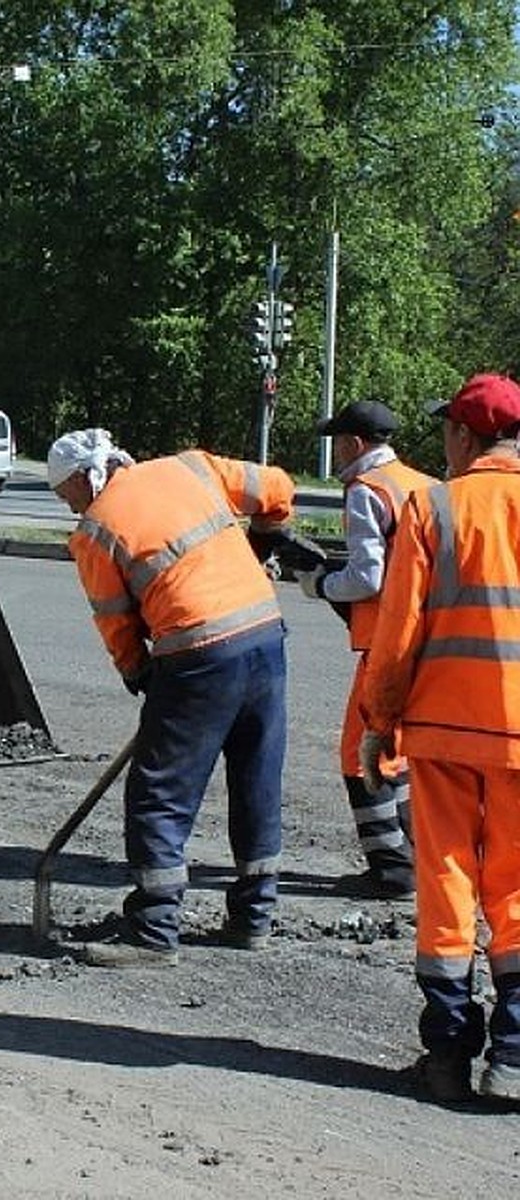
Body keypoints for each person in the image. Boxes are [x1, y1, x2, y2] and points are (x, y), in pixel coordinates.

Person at [47, 428, 295, 967]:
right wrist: (263, 542)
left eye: (65, 496)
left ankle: (154, 931)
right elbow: (277, 487)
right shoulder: (190, 467)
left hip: (198, 652)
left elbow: (116, 624)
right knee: (256, 778)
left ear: (83, 480)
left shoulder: (95, 531)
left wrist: (141, 676)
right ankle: (254, 918)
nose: (69, 507)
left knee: (158, 790)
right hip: (265, 634)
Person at [362, 372, 520, 1105]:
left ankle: (450, 1056)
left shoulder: (435, 508)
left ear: (464, 435)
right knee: (517, 890)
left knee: (447, 880)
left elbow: (396, 635)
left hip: (444, 732)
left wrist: (377, 723)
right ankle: (514, 1059)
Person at [300, 400, 436, 899]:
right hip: (432, 637)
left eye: (337, 442)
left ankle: (391, 868)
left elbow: (367, 577)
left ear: (355, 444)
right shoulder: (423, 483)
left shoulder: (365, 491)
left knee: (362, 755)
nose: (335, 452)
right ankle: (414, 858)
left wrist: (319, 583)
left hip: (387, 644)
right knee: (401, 752)